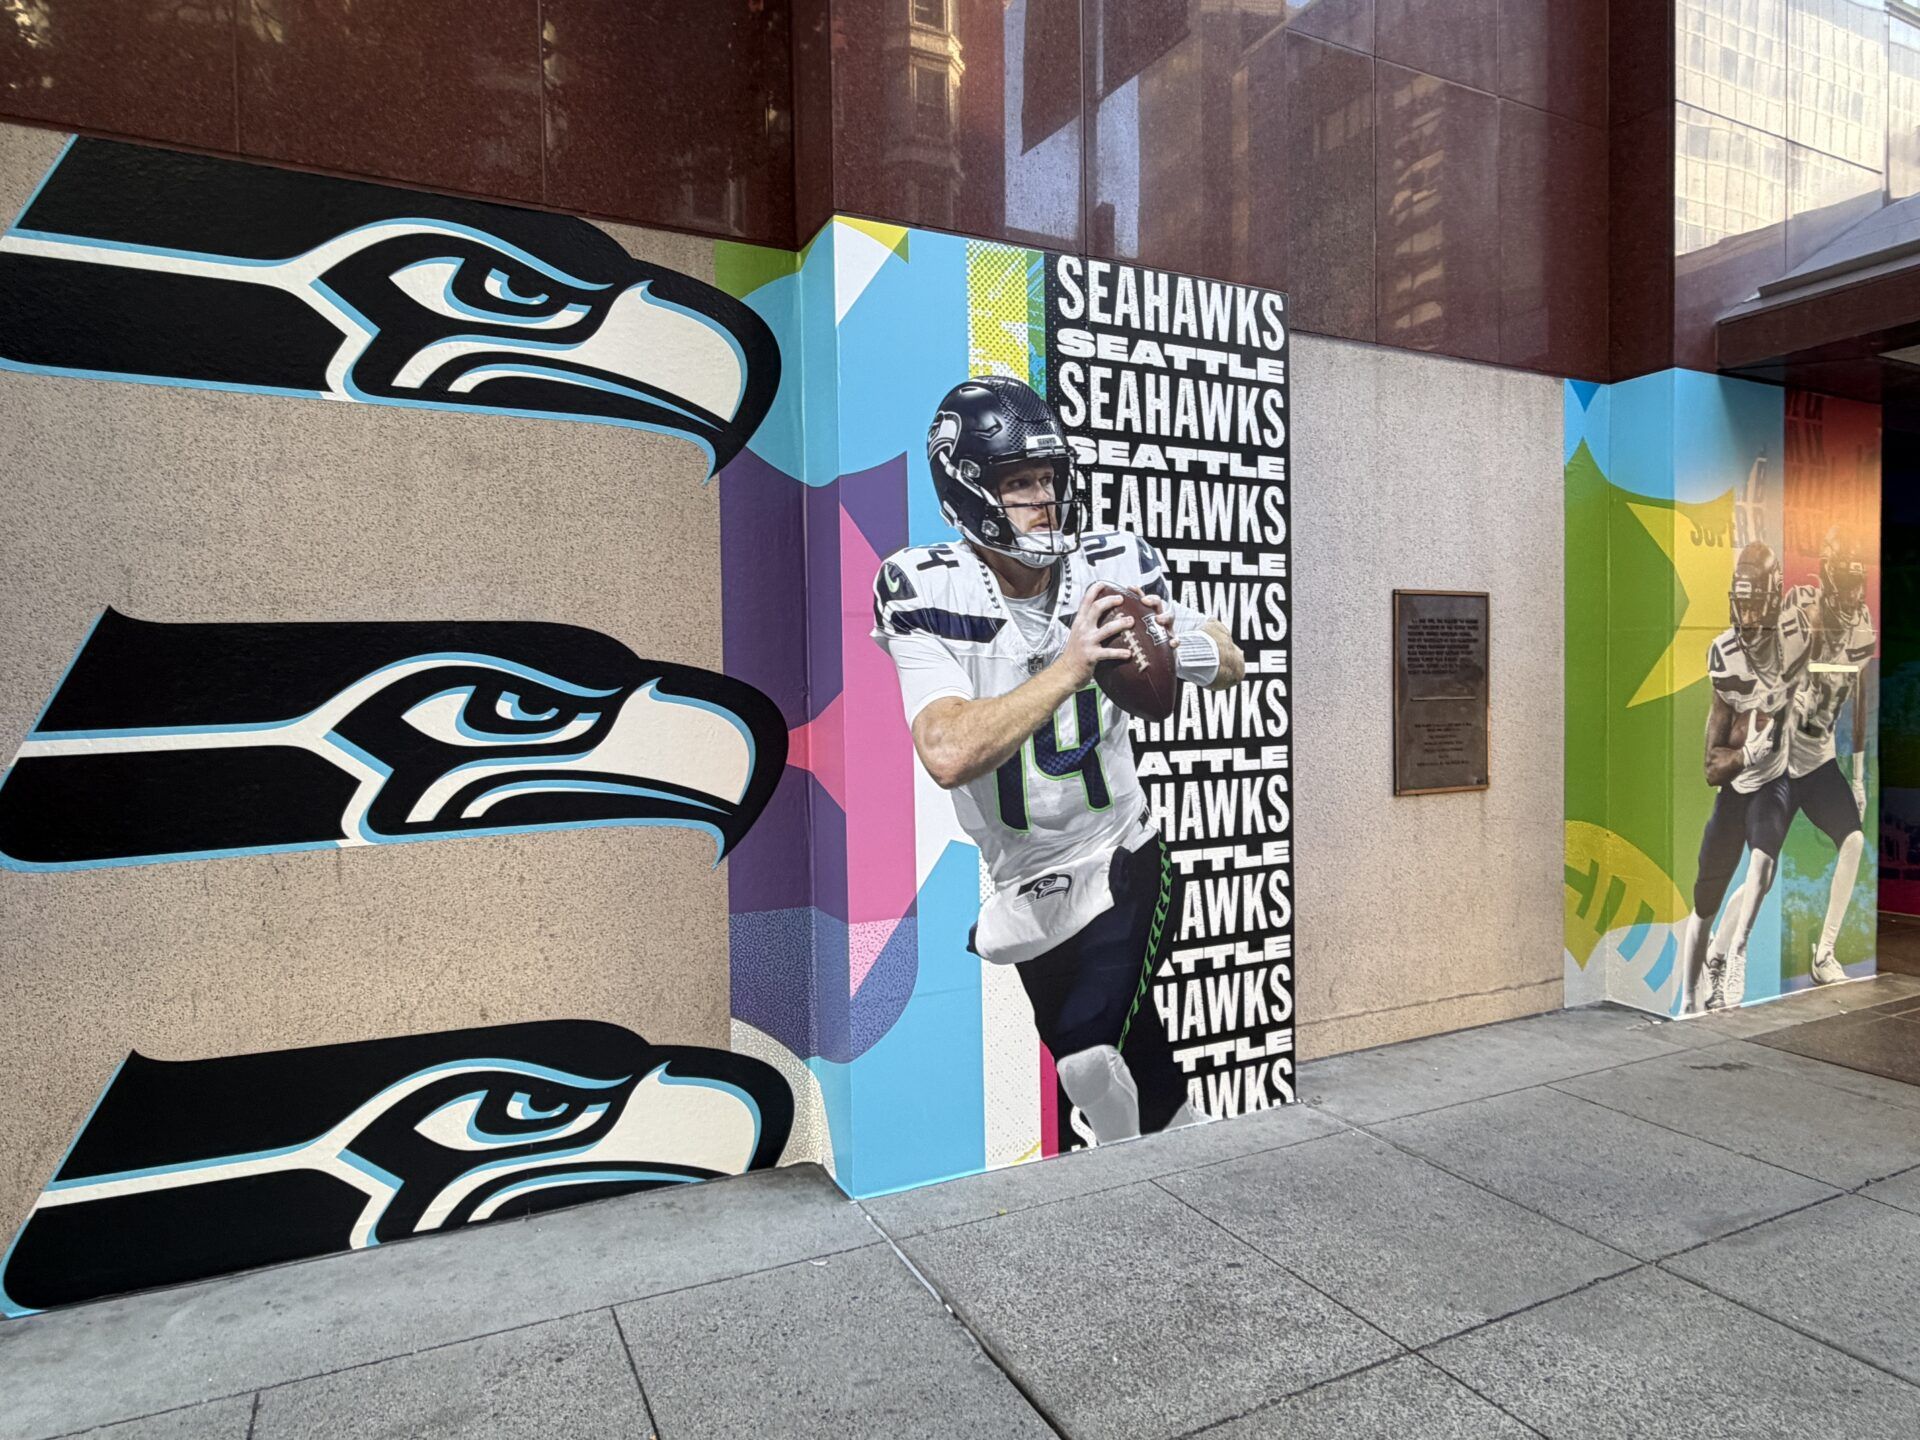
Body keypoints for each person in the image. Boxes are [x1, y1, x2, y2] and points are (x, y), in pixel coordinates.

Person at [871, 375, 1245, 1143]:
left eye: (1048, 477)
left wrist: (1190, 651)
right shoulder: (925, 587)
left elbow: (1233, 657)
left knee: (1088, 1058)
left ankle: (1131, 1185)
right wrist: (1070, 666)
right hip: (1025, 883)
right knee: (1130, 1061)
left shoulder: (1112, 568)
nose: (1043, 498)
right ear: (971, 490)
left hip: (1122, 850)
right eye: (1019, 482)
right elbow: (946, 751)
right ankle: (1187, 1152)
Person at [1707, 526, 1874, 999]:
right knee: (1763, 867)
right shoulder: (1798, 609)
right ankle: (1719, 950)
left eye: (1856, 586)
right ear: (1826, 581)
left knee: (1854, 840)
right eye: (1843, 584)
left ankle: (1824, 954)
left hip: (1818, 758)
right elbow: (1769, 662)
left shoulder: (1860, 628)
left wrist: (1857, 772)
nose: (1850, 597)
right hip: (1781, 758)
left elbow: (1858, 692)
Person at [1677, 542, 1808, 1014]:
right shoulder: (1725, 655)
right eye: (1742, 604)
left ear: (1774, 600)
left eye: (1758, 605)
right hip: (1738, 787)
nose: (1749, 616)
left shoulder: (1797, 633)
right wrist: (1747, 752)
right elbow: (1711, 768)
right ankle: (1690, 996)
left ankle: (1736, 953)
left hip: (1774, 780)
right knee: (1704, 905)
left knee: (1763, 867)